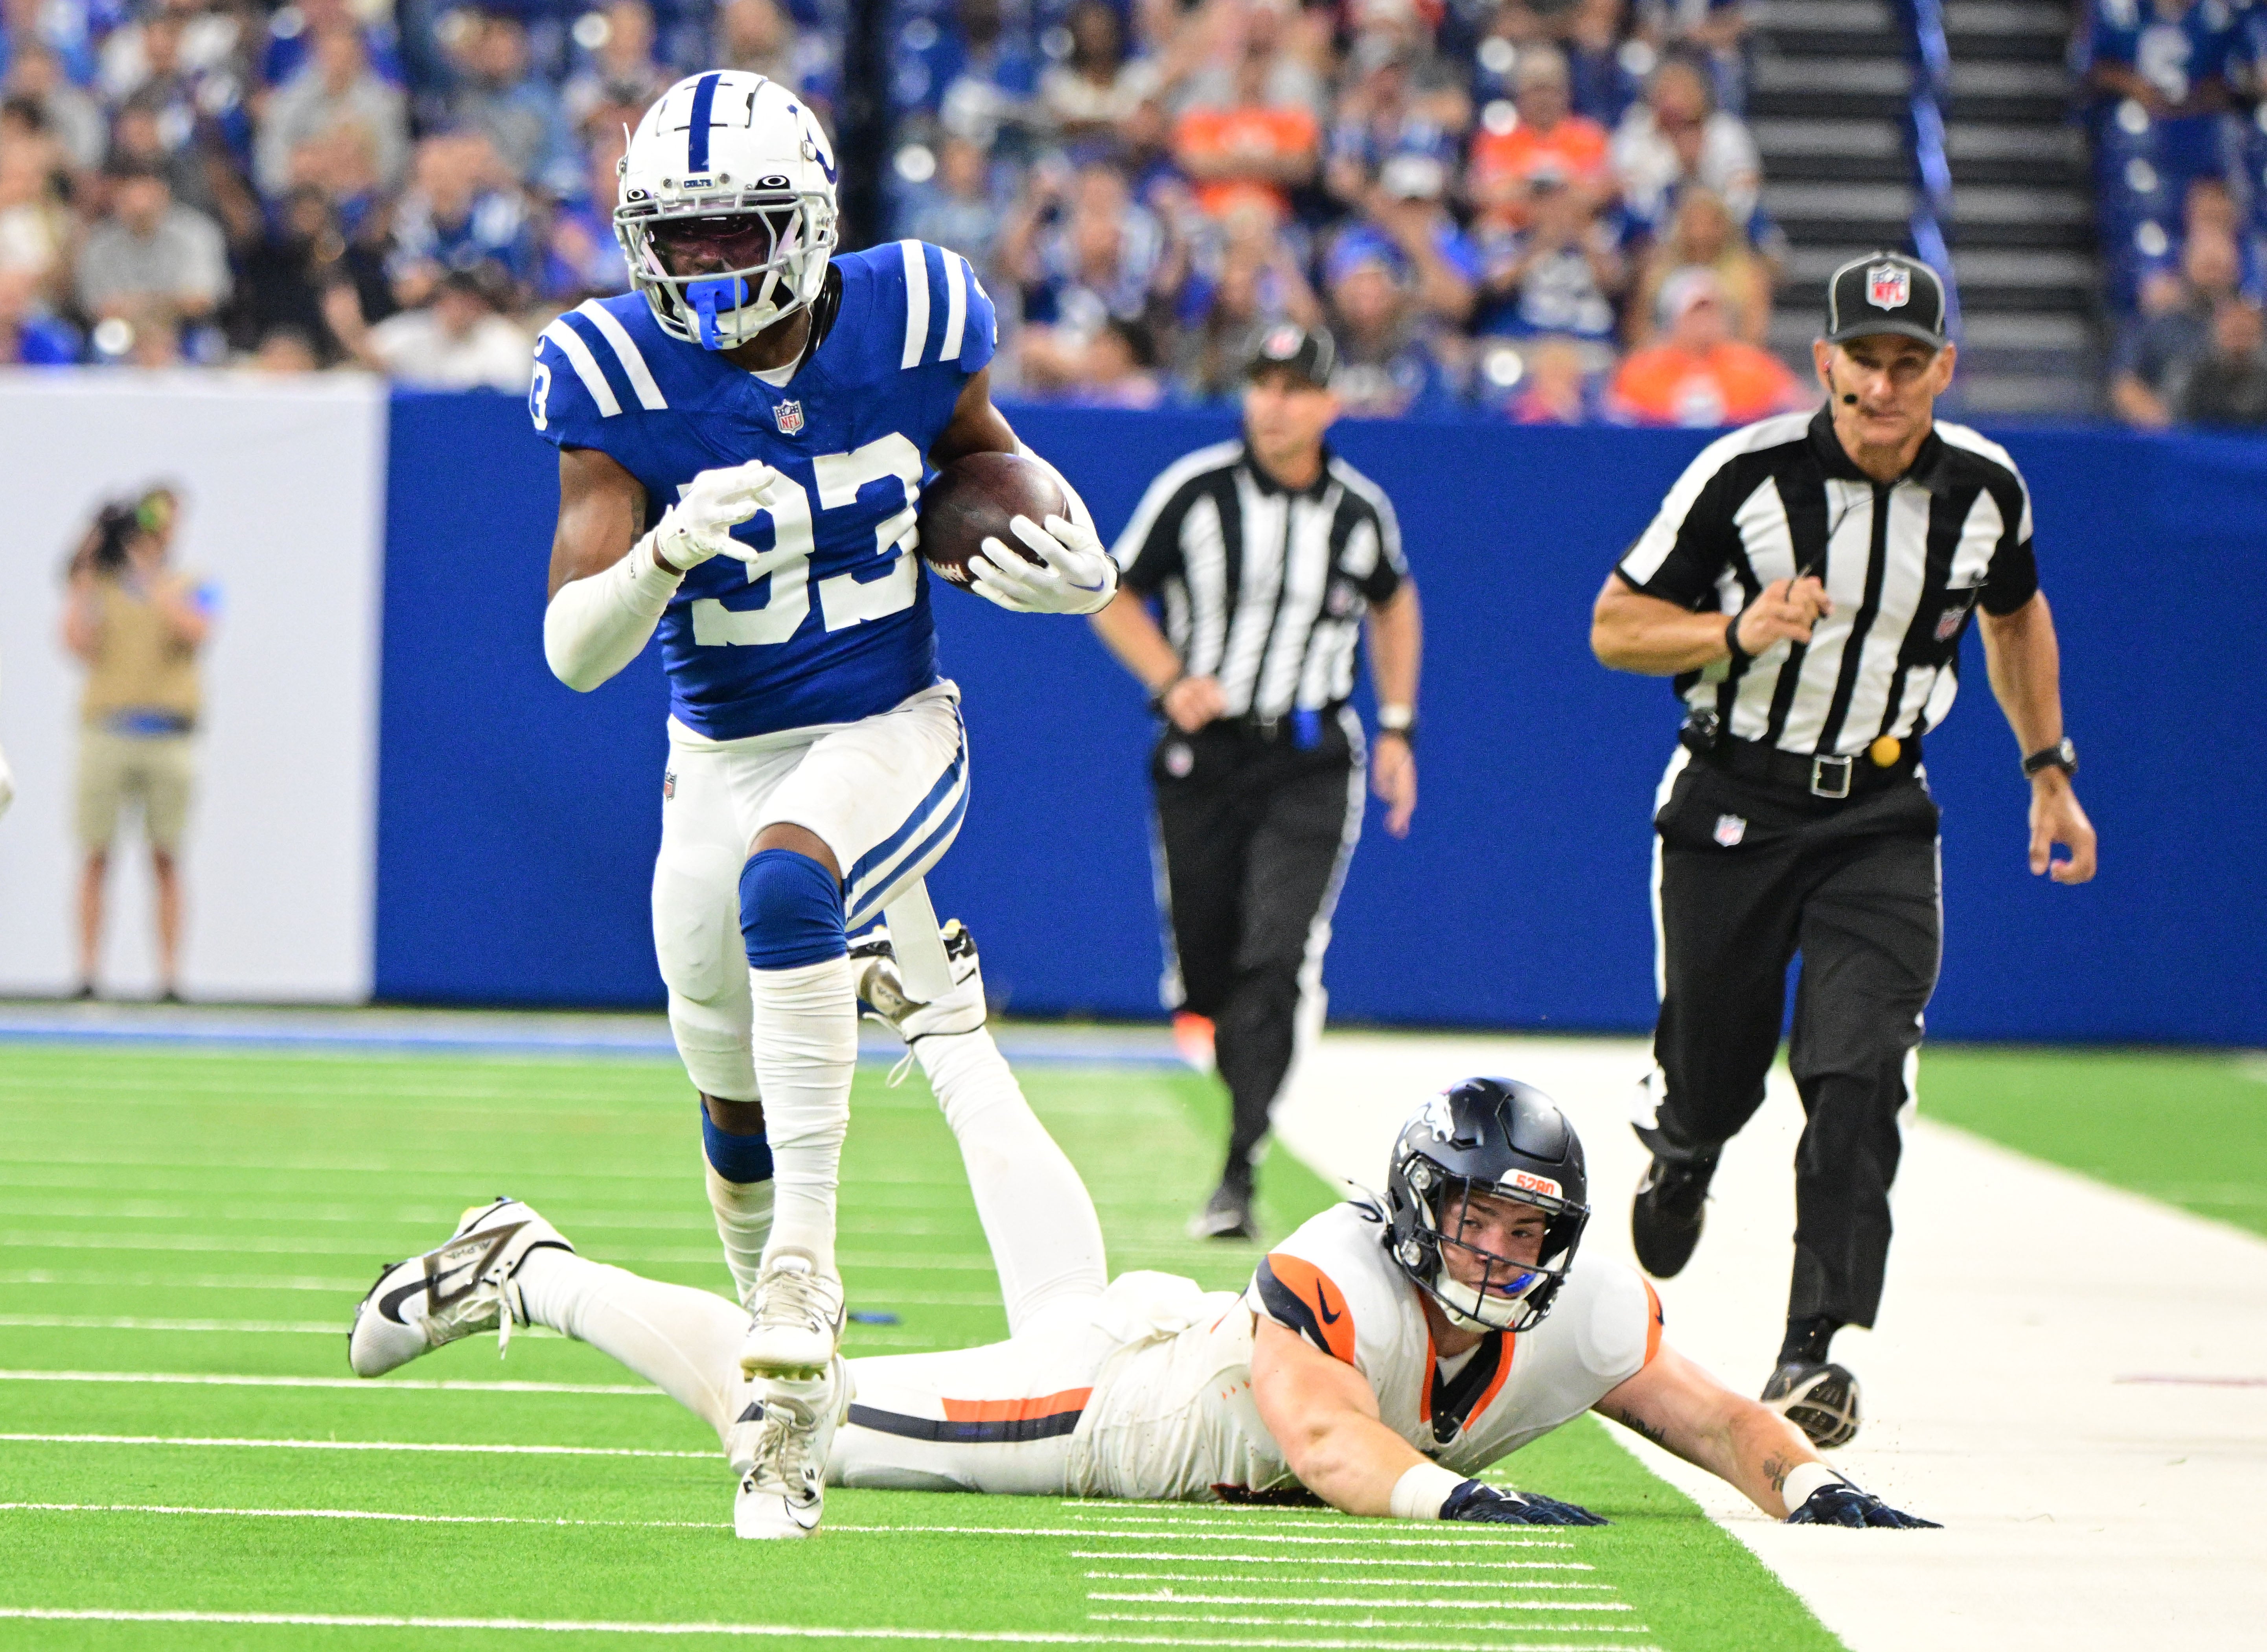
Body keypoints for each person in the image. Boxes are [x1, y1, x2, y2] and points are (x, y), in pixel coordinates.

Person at [351, 964, 1938, 1535]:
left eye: (1524, 1226)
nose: (1497, 1246)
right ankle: (529, 1264)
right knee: (788, 1410)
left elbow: (1710, 1411)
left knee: (1059, 1298)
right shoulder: (1334, 1264)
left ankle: (954, 1028)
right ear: (1410, 1206)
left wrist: (1808, 1482)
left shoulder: (1580, 1310)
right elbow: (1325, 1442)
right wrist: (1465, 1500)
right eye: (1472, 1214)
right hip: (1123, 1424)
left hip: (1156, 1362)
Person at [528, 69, 1118, 1537]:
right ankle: (779, 1408)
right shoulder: (613, 373)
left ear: (807, 224)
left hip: (887, 723)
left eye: (738, 234)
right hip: (711, 760)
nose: (707, 265)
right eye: (683, 236)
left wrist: (1074, 546)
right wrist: (662, 550)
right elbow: (570, 651)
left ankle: (809, 1260)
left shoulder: (916, 311)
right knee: (724, 1100)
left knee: (790, 884)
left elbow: (982, 459)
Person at [1588, 252, 2098, 1449]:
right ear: (1822, 361)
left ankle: (1815, 1345)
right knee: (1718, 1063)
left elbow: (2012, 613)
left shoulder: (1984, 488)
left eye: (1904, 361)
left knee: (1857, 1066)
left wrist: (2047, 769)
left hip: (1878, 805)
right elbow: (1615, 625)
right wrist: (1733, 626)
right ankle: (1686, 1142)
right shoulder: (1741, 473)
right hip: (1731, 798)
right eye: (1860, 360)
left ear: (1940, 369)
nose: (1881, 384)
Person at [1089, 325, 1422, 1242]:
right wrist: (1169, 679)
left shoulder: (1358, 511)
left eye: (1292, 387)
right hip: (1207, 759)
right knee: (1209, 966)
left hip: (1309, 757)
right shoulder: (1194, 491)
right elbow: (1111, 589)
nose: (1273, 402)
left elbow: (1394, 600)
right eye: (1261, 384)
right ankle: (1225, 1049)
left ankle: (1239, 1166)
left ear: (1327, 402)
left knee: (1274, 955)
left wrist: (1396, 724)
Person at [60, 487, 214, 1001]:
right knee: (95, 853)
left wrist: (150, 577)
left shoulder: (194, 581)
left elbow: (197, 630)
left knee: (167, 854)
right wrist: (85, 569)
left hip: (169, 734)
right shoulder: (104, 583)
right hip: (108, 729)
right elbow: (75, 643)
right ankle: (87, 974)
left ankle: (170, 977)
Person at [1609, 265, 1800, 426]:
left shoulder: (1754, 364)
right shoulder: (1642, 368)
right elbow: (1618, 416)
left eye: (1712, 313)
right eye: (1695, 314)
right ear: (1672, 319)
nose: (1704, 323)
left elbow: (1794, 404)